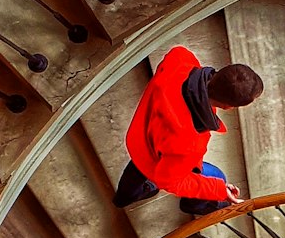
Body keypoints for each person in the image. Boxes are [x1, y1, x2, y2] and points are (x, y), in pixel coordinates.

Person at [113, 46, 263, 215]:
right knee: (217, 176)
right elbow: (169, 182)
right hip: (153, 157)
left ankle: (122, 198)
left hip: (140, 136)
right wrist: (218, 190)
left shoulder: (180, 57)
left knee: (137, 168)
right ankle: (194, 205)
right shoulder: (188, 141)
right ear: (228, 107)